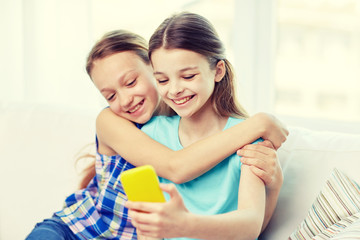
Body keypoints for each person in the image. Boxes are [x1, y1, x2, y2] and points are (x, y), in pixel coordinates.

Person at [26, 29, 287, 240]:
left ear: (154, 68)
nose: (125, 99)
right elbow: (177, 166)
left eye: (130, 82)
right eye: (110, 95)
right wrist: (259, 123)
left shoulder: (177, 126)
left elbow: (247, 225)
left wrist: (273, 184)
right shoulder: (114, 121)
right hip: (74, 231)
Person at [125, 12, 282, 240]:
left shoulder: (249, 138)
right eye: (162, 80)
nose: (174, 89)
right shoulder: (152, 134)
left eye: (188, 76)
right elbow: (148, 230)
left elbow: (251, 224)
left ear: (218, 71)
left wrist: (186, 224)